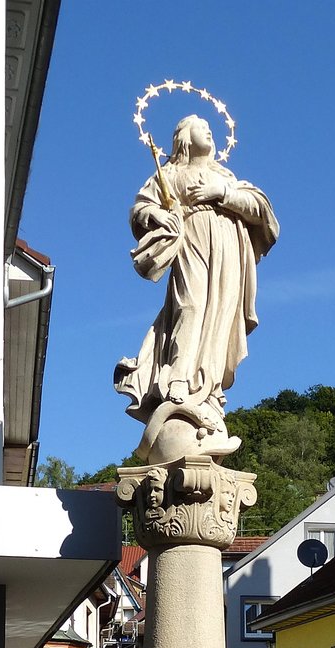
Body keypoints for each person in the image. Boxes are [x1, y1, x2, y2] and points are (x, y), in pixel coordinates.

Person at [114, 115, 279, 464]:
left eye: (210, 126)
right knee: (190, 306)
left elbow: (261, 210)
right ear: (183, 137)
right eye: (199, 125)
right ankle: (179, 380)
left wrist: (223, 194)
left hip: (228, 249)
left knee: (220, 316)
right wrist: (159, 216)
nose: (208, 129)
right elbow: (141, 208)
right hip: (191, 240)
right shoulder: (171, 172)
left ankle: (210, 391)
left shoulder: (226, 177)